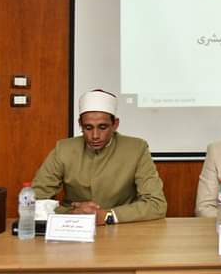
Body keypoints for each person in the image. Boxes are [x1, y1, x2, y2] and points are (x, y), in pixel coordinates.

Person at [32, 89, 167, 225]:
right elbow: (33, 201)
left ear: (115, 124)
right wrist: (71, 213)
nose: (95, 135)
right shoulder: (64, 149)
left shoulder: (136, 148)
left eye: (102, 127)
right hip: (73, 226)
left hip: (122, 227)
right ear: (80, 124)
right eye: (88, 127)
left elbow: (156, 205)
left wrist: (108, 216)